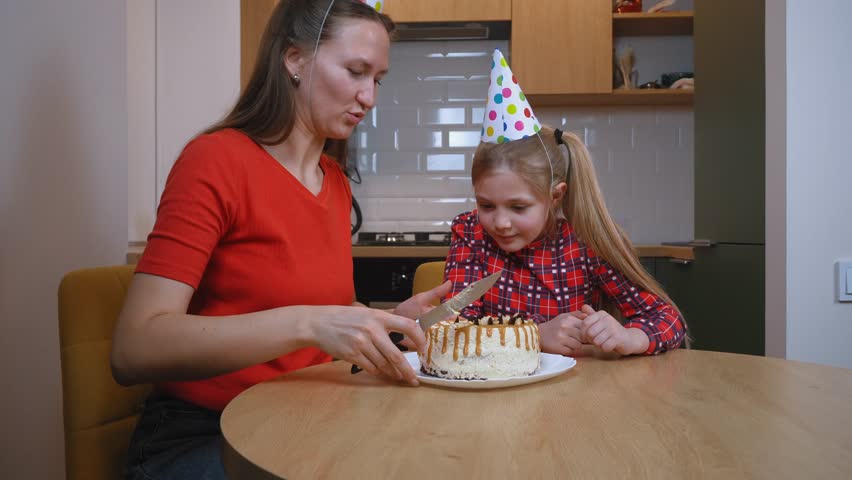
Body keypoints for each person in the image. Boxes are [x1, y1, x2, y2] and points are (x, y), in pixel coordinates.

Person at [110, 1, 447, 479]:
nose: (369, 96)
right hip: (206, 432)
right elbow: (133, 348)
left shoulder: (333, 181)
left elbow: (320, 307)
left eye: (378, 79)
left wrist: (385, 321)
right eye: (355, 71)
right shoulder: (216, 161)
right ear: (294, 60)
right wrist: (307, 323)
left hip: (306, 420)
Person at [443, 49, 687, 357]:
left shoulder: (584, 243)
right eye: (487, 205)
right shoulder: (471, 233)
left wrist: (631, 336)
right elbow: (453, 331)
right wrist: (531, 335)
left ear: (555, 195)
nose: (500, 222)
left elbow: (669, 320)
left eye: (518, 207)